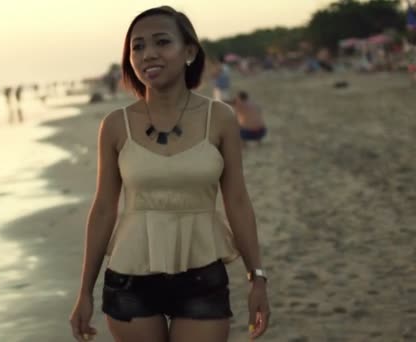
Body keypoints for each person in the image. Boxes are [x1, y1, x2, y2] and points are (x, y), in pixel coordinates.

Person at [69, 6, 270, 342]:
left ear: (189, 51)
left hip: (201, 274)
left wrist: (257, 278)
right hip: (130, 278)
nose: (148, 54)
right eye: (137, 46)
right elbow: (104, 207)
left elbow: (237, 200)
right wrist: (85, 291)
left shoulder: (219, 118)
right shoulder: (116, 126)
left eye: (162, 42)